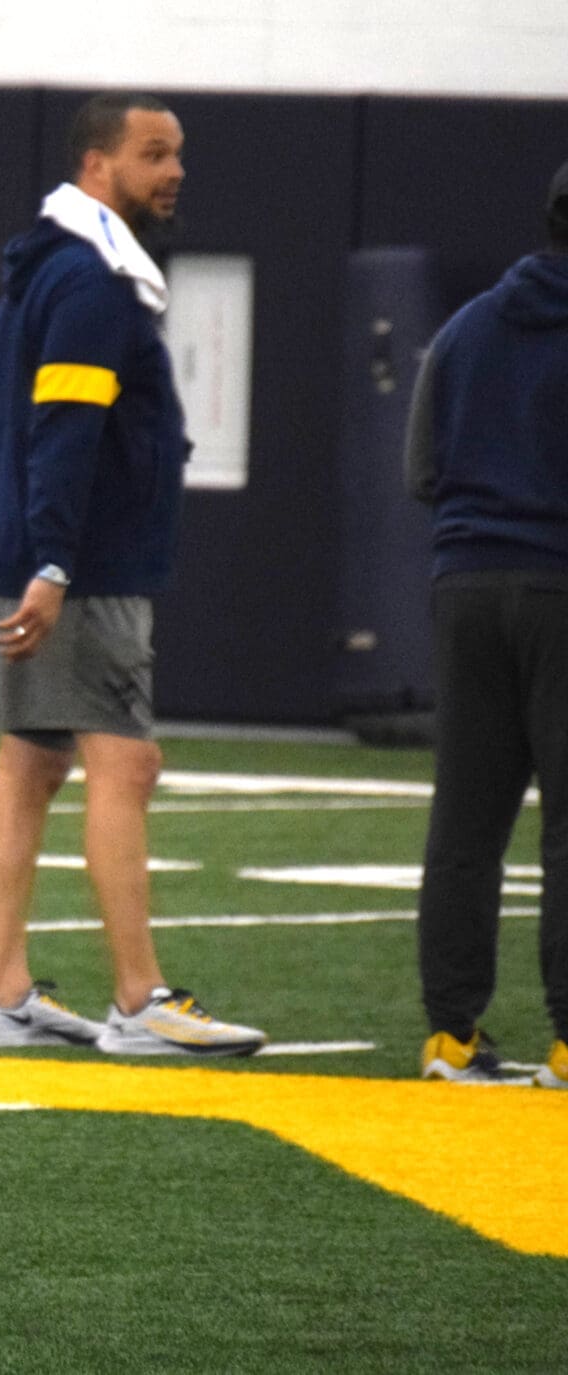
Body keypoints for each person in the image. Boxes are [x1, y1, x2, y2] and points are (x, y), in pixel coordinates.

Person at [0, 92, 266, 1056]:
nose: (173, 171)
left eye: (177, 154)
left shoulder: (54, 267)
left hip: (35, 554)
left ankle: (5, 994)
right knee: (124, 761)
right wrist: (54, 561)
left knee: (31, 761)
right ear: (99, 165)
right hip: (76, 570)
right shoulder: (91, 280)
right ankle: (139, 1001)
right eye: (153, 153)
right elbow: (67, 426)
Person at [406, 158, 568, 1089]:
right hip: (562, 589)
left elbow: (420, 471)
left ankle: (451, 1035)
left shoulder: (468, 326)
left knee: (466, 822)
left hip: (465, 585)